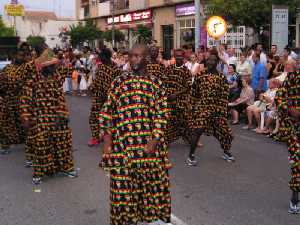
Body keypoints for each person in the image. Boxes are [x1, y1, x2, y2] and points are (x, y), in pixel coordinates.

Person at [99, 44, 171, 225]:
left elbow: (162, 115)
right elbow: (106, 112)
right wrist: (107, 143)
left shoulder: (156, 84)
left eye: (137, 56)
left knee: (152, 189)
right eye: (131, 56)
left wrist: (155, 140)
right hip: (123, 147)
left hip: (149, 148)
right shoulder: (119, 82)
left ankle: (152, 219)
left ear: (146, 58)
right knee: (122, 191)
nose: (133, 59)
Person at [20, 43, 77, 185]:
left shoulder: (55, 76)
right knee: (41, 146)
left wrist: (62, 115)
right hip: (39, 119)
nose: (53, 67)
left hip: (58, 117)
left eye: (53, 64)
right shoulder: (32, 78)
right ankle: (39, 174)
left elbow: (60, 98)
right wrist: (26, 118)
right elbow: (25, 99)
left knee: (63, 144)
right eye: (51, 65)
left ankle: (66, 168)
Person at [186, 48, 234, 166]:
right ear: (206, 62)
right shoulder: (200, 75)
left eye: (213, 60)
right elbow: (194, 93)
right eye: (209, 60)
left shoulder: (222, 78)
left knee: (224, 133)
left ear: (217, 62)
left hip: (217, 110)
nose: (211, 62)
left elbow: (224, 96)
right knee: (197, 131)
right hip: (203, 109)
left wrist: (222, 112)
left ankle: (226, 152)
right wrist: (191, 107)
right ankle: (191, 156)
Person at [275, 69, 300, 214]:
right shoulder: (293, 76)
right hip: (294, 127)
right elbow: (279, 97)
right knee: (298, 162)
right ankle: (295, 198)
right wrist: (290, 109)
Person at [0, 43, 31, 154]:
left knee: (27, 124)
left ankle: (31, 148)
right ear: (14, 56)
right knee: (6, 123)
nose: (22, 57)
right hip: (9, 101)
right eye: (20, 55)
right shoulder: (7, 69)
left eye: (24, 55)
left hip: (24, 101)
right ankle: (5, 145)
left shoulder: (26, 68)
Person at [88, 48, 121, 147]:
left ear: (105, 57)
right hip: (98, 96)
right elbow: (97, 80)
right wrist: (92, 87)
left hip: (110, 97)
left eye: (101, 56)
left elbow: (117, 83)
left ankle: (110, 137)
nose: (99, 58)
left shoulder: (116, 69)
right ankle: (96, 137)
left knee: (110, 118)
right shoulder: (101, 67)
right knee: (94, 117)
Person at [164, 49, 191, 144]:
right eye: (177, 56)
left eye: (181, 56)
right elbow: (164, 82)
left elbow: (188, 87)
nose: (179, 58)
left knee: (184, 119)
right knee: (169, 120)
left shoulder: (186, 71)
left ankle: (187, 137)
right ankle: (167, 140)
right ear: (174, 57)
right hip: (169, 98)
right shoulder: (169, 68)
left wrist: (176, 94)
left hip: (181, 99)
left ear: (183, 58)